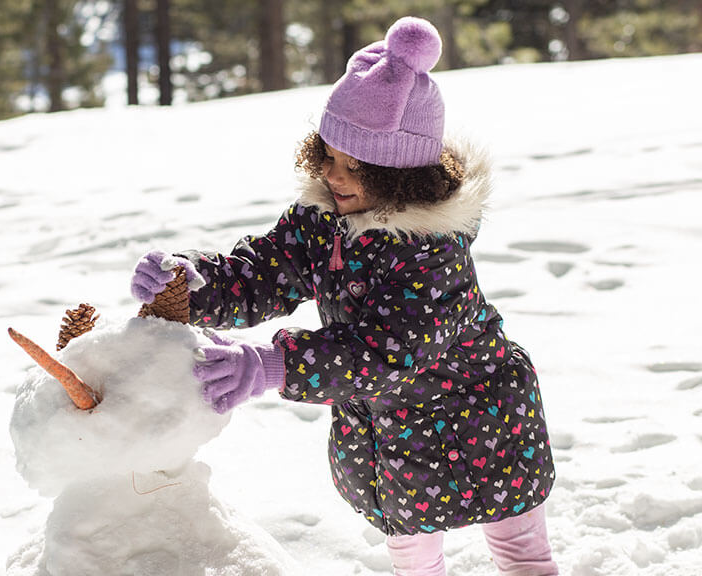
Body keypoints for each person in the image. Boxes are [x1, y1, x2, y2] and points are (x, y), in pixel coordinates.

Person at [130, 16, 558, 576]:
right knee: (411, 550)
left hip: (482, 416)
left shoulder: (431, 254)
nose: (333, 175)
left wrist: (273, 364)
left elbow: (384, 353)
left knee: (518, 544)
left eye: (354, 166)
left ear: (402, 175)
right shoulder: (324, 219)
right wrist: (195, 283)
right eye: (327, 156)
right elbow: (266, 269)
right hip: (394, 428)